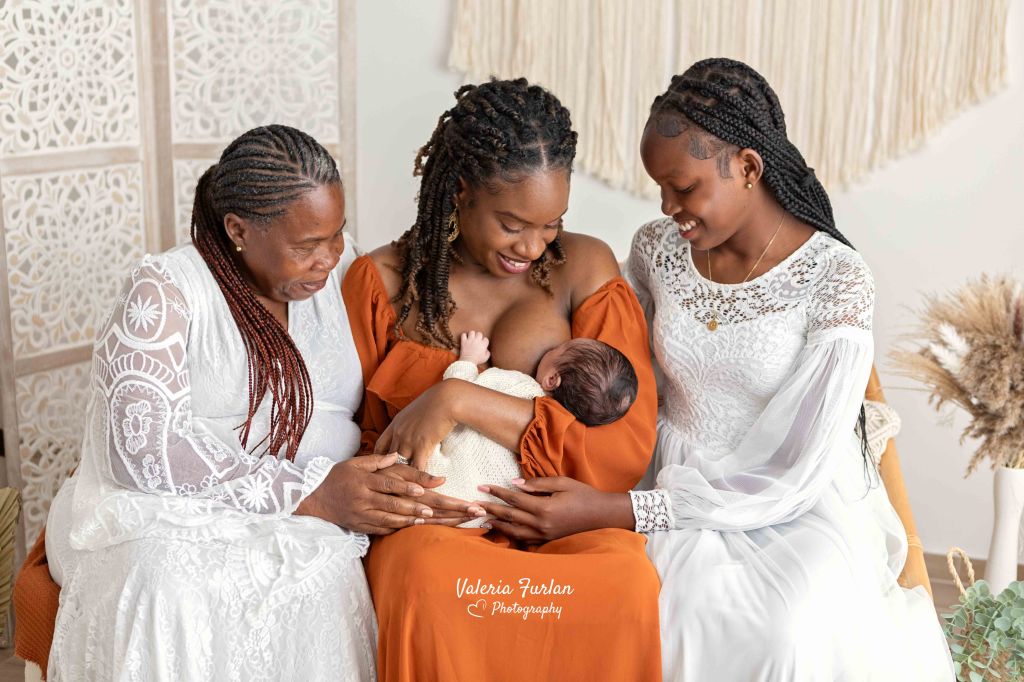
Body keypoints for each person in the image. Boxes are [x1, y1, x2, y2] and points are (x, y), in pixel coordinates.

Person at [480, 58, 956, 681]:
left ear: (748, 168)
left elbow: (795, 471)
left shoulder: (837, 278)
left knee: (782, 630)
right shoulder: (657, 250)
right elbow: (623, 371)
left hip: (792, 501)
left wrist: (619, 509)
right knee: (639, 608)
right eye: (659, 188)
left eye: (683, 187)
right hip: (666, 471)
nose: (667, 206)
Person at [15, 124, 478, 681]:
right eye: (306, 246)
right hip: (164, 511)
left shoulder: (343, 272)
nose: (329, 257)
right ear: (238, 229)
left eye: (336, 234)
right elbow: (143, 451)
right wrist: (309, 493)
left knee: (323, 574)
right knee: (168, 580)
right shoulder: (165, 288)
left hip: (318, 509)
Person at [342, 78, 662, 682]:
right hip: (435, 526)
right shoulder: (382, 283)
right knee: (425, 577)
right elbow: (348, 432)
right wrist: (395, 488)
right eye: (513, 224)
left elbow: (622, 443)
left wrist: (457, 397)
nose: (534, 246)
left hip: (554, 525)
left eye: (551, 224)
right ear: (461, 191)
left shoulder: (584, 267)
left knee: (624, 579)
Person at [424, 331, 638, 522]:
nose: (552, 348)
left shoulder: (519, 385)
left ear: (552, 379)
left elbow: (457, 389)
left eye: (558, 349)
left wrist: (468, 359)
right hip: (474, 517)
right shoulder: (551, 449)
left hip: (437, 479)